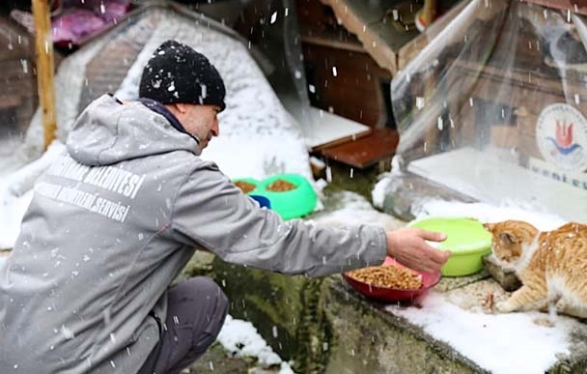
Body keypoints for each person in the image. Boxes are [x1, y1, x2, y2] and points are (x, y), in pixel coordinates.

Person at [0, 40, 450, 374]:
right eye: (213, 111)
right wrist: (385, 240)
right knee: (205, 302)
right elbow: (280, 243)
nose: (216, 129)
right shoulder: (178, 177)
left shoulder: (78, 152)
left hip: (12, 347)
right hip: (74, 365)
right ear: (178, 103)